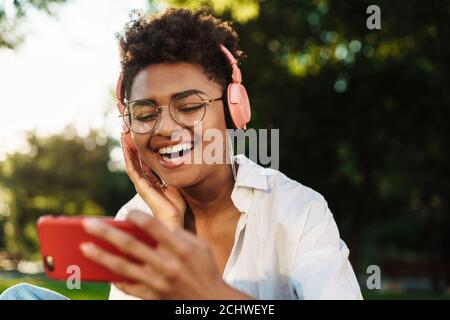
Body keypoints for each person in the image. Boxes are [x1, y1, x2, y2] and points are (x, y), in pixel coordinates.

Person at [0, 7, 362, 300]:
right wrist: (168, 231)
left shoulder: (299, 210)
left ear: (234, 110)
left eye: (189, 107)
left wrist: (208, 293)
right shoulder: (138, 217)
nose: (164, 128)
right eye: (144, 113)